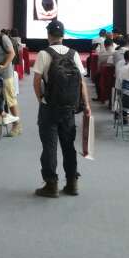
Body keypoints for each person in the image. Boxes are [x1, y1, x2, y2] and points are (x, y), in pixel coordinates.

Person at [32, 20, 90, 197]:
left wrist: (41, 99)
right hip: (69, 108)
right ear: (63, 35)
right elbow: (81, 83)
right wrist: (86, 105)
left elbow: (36, 81)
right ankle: (72, 183)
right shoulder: (74, 54)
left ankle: (51, 185)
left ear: (48, 35)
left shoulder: (44, 54)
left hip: (49, 107)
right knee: (68, 146)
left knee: (49, 147)